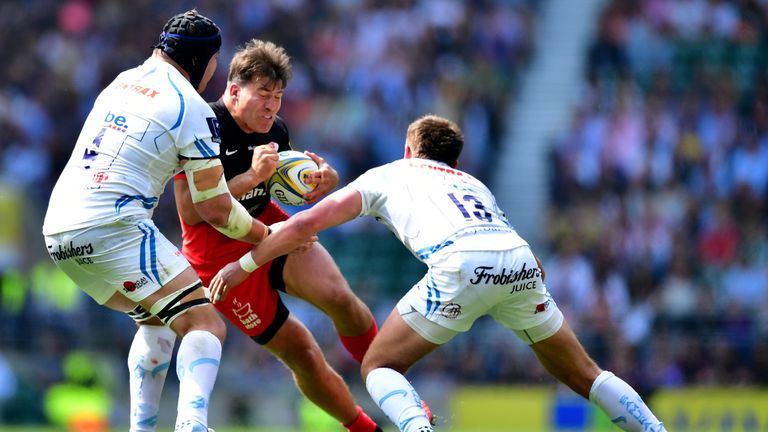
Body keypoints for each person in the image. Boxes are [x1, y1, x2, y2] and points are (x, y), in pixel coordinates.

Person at [209, 114, 668, 432]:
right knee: (585, 373)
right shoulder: (472, 183)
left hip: (461, 263)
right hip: (519, 261)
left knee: (379, 365)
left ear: (409, 148)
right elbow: (531, 259)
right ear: (454, 160)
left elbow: (304, 224)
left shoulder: (389, 174)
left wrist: (243, 263)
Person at [42, 10, 274, 432]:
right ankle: (192, 425)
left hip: (59, 229)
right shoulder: (192, 107)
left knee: (157, 318)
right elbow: (214, 209)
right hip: (112, 226)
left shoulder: (120, 82)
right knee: (204, 324)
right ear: (204, 61)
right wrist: (270, 234)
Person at [170, 39, 382, 432]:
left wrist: (318, 182)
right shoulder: (202, 127)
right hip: (217, 255)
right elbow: (193, 212)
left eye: (279, 96)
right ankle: (366, 429)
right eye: (263, 94)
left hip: (267, 226)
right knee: (302, 352)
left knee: (341, 299)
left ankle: (394, 386)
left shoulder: (276, 131)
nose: (272, 106)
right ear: (233, 90)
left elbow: (283, 183)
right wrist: (252, 176)